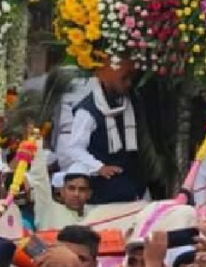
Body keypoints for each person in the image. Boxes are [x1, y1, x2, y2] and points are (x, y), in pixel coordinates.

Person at [56, 59, 144, 204]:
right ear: (104, 73)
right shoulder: (87, 110)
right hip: (103, 190)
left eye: (131, 78)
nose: (129, 83)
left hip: (130, 183)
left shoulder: (131, 102)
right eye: (124, 78)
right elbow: (75, 148)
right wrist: (100, 167)